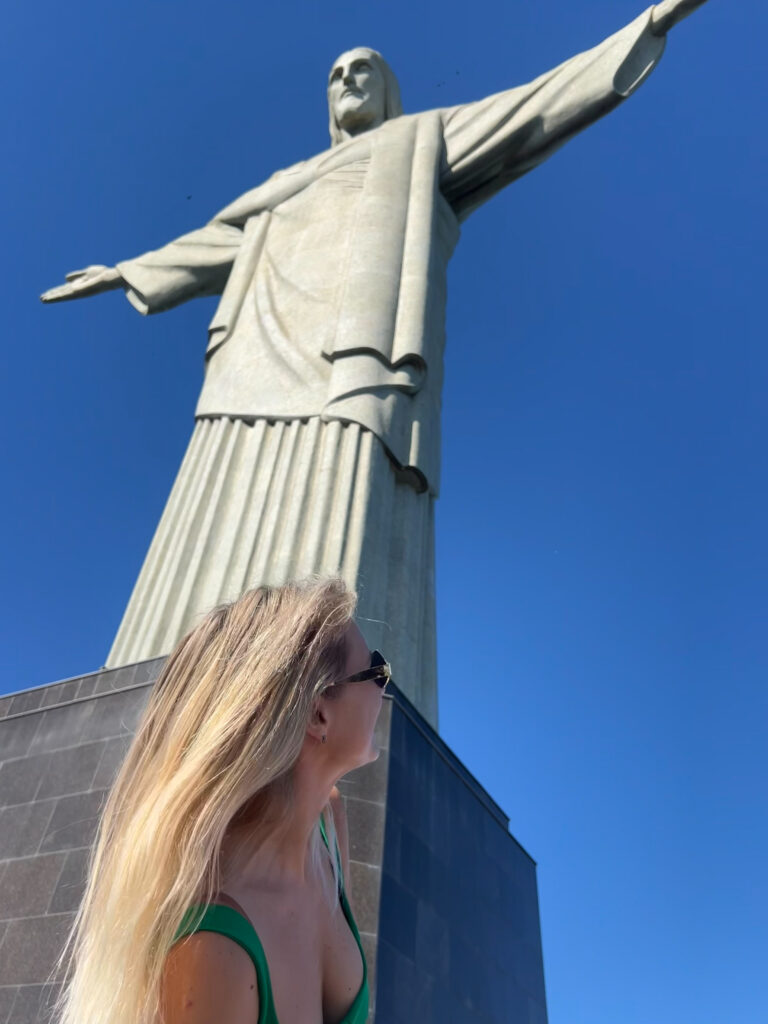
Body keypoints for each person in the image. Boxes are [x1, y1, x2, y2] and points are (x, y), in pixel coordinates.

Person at [40, 0, 710, 730]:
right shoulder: (281, 185)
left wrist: (651, 22)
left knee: (340, 516)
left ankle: (317, 689)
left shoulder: (423, 140)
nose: (348, 78)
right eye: (336, 74)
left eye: (364, 69)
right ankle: (154, 693)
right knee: (214, 508)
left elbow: (537, 109)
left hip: (355, 361)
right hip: (250, 361)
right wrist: (125, 270)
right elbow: (210, 245)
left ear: (389, 91)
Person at [50, 578, 391, 1024]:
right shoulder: (212, 945)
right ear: (316, 712)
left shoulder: (327, 827)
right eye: (376, 670)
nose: (384, 686)